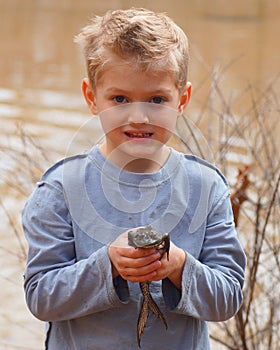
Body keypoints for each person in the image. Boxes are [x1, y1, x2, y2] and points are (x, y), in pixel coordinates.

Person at [22, 7, 246, 350]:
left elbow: (228, 298)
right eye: (120, 99)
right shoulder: (61, 189)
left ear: (182, 100)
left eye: (157, 99)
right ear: (91, 98)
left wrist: (178, 266)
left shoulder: (206, 187)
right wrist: (107, 265)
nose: (138, 115)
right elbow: (40, 297)